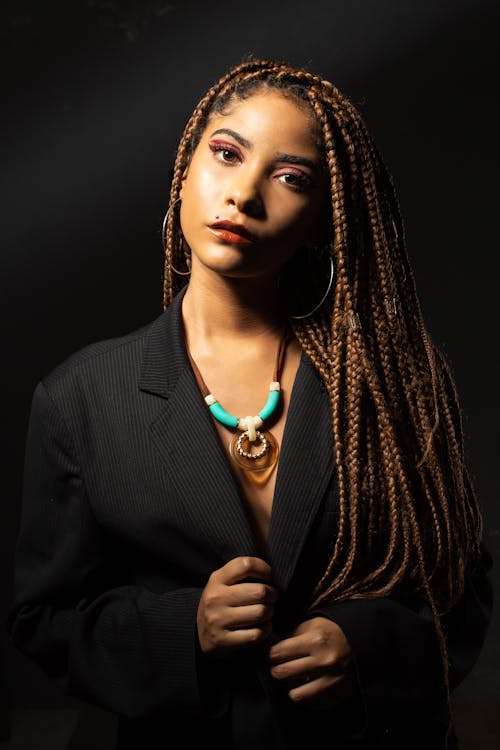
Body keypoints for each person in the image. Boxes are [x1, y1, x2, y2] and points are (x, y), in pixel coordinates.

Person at [7, 57, 493, 750]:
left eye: (290, 177)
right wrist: (186, 630)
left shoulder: (394, 384)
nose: (244, 194)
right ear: (184, 172)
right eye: (228, 154)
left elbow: (461, 581)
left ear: (326, 217)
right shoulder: (79, 397)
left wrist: (371, 647)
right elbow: (43, 620)